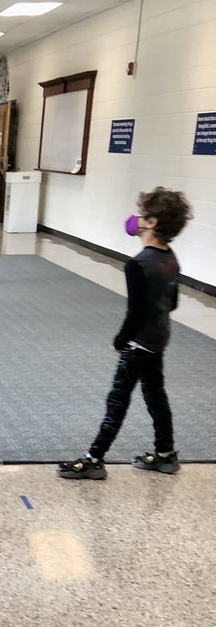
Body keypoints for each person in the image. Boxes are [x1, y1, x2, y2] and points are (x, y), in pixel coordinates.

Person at [57, 187, 193, 481]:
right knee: (156, 396)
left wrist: (121, 340)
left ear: (152, 222)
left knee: (117, 400)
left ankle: (94, 459)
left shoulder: (138, 264)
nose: (136, 218)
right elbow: (172, 303)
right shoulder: (171, 259)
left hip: (137, 344)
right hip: (158, 340)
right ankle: (166, 455)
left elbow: (135, 312)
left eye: (142, 214)